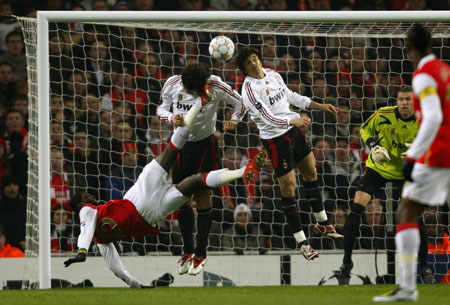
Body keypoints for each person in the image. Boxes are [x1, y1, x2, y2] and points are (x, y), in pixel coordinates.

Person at [63, 77, 267, 288]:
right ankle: (204, 105)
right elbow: (89, 234)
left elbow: (116, 267)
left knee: (190, 173)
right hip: (142, 204)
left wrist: (136, 285)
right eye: (84, 197)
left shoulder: (102, 239)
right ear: (79, 205)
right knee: (181, 159)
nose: (88, 197)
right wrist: (81, 251)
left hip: (145, 206)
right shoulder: (86, 213)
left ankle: (244, 169)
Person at [236, 46, 343, 261]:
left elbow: (291, 96)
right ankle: (302, 242)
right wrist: (292, 120)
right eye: (249, 62)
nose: (254, 63)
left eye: (255, 59)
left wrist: (319, 106)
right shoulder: (248, 89)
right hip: (275, 139)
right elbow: (265, 116)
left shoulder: (273, 74)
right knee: (289, 187)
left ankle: (322, 224)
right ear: (244, 69)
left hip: (293, 131)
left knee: (311, 173)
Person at [373, 24, 450, 302]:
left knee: (406, 212)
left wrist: (413, 157)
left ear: (408, 48)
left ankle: (407, 287)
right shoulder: (444, 69)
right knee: (409, 206)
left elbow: (433, 118)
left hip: (440, 152)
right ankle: (408, 286)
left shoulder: (423, 76)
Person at [336, 86, 431, 285]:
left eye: (408, 99)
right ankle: (346, 264)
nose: (404, 103)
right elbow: (364, 128)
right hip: (378, 167)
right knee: (355, 210)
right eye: (401, 99)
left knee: (416, 215)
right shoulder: (383, 114)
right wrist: (373, 146)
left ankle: (424, 266)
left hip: (404, 170)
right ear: (397, 101)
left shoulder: (423, 119)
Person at [157, 62, 245, 274]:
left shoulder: (215, 85)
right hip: (180, 145)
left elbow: (240, 103)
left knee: (204, 197)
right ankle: (188, 251)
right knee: (182, 198)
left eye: (191, 90)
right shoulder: (172, 83)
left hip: (206, 146)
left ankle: (201, 253)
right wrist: (171, 117)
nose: (187, 92)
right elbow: (160, 108)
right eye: (186, 88)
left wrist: (234, 119)